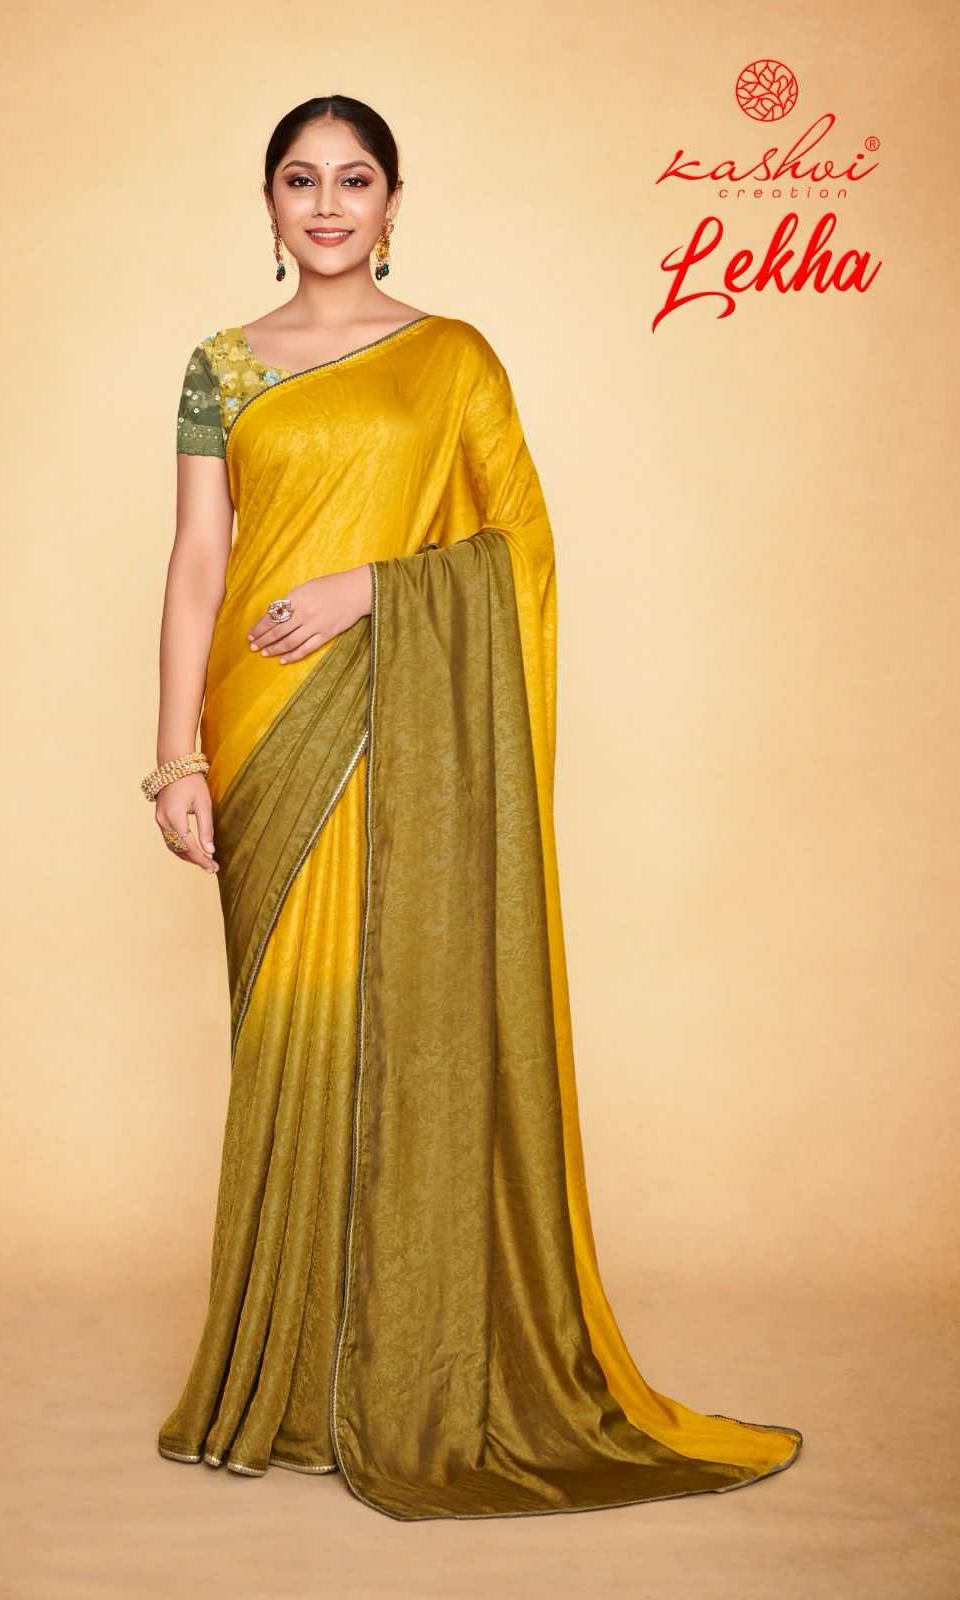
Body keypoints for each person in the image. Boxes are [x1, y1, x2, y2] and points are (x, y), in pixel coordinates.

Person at [148, 93, 803, 1523]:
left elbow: (520, 546)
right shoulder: (219, 366)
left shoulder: (452, 358)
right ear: (268, 203)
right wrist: (174, 756)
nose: (328, 205)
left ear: (394, 201)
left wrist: (373, 591)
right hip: (263, 735)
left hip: (396, 716)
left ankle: (398, 1372)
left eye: (355, 180)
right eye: (301, 180)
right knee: (289, 1038)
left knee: (404, 1023)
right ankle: (283, 1380)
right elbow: (198, 560)